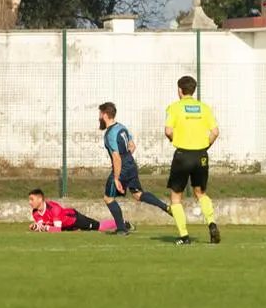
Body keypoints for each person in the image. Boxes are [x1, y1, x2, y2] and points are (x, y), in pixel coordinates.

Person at [163, 75, 221, 245]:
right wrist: (205, 146)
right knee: (200, 193)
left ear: (180, 90)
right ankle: (211, 223)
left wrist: (176, 139)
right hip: (201, 154)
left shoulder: (174, 108)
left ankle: (184, 236)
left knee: (175, 197)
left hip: (183, 155)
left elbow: (168, 131)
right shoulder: (204, 108)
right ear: (193, 90)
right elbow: (215, 132)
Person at [98, 102, 171, 235]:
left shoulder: (109, 134)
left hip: (122, 165)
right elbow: (132, 146)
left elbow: (116, 157)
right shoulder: (122, 127)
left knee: (108, 198)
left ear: (105, 115)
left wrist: (116, 177)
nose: (99, 118)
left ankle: (121, 228)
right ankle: (165, 207)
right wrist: (127, 159)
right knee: (138, 194)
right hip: (130, 162)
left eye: (100, 115)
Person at [27, 189, 120, 232]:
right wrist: (35, 226)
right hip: (66, 226)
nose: (29, 202)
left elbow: (57, 229)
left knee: (99, 227)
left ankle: (122, 223)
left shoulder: (54, 209)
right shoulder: (35, 212)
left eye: (32, 199)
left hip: (74, 219)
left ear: (40, 199)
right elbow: (41, 224)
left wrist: (45, 228)